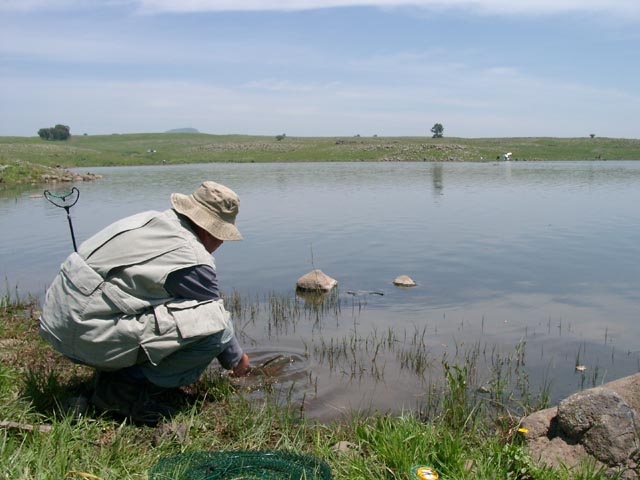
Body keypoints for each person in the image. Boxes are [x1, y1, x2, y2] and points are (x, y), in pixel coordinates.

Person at [39, 181, 251, 425]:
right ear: (210, 230)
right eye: (222, 235)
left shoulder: (152, 220)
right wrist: (238, 361)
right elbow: (216, 318)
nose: (221, 243)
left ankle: (115, 370)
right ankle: (122, 390)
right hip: (82, 333)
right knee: (216, 328)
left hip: (58, 320)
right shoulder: (192, 258)